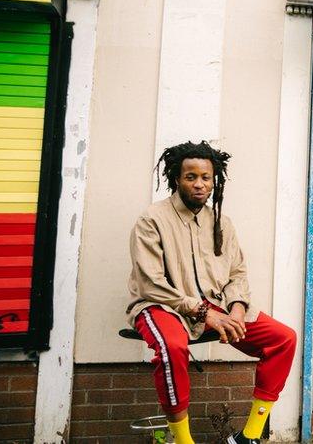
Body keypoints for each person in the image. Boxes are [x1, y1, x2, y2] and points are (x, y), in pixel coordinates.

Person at [126, 141, 296, 444]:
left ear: (214, 179)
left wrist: (237, 310)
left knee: (283, 339)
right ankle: (183, 440)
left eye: (206, 177)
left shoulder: (221, 222)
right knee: (171, 348)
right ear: (176, 178)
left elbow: (237, 273)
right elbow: (151, 283)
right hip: (162, 306)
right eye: (191, 176)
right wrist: (205, 314)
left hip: (216, 306)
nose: (200, 184)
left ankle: (249, 437)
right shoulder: (152, 219)